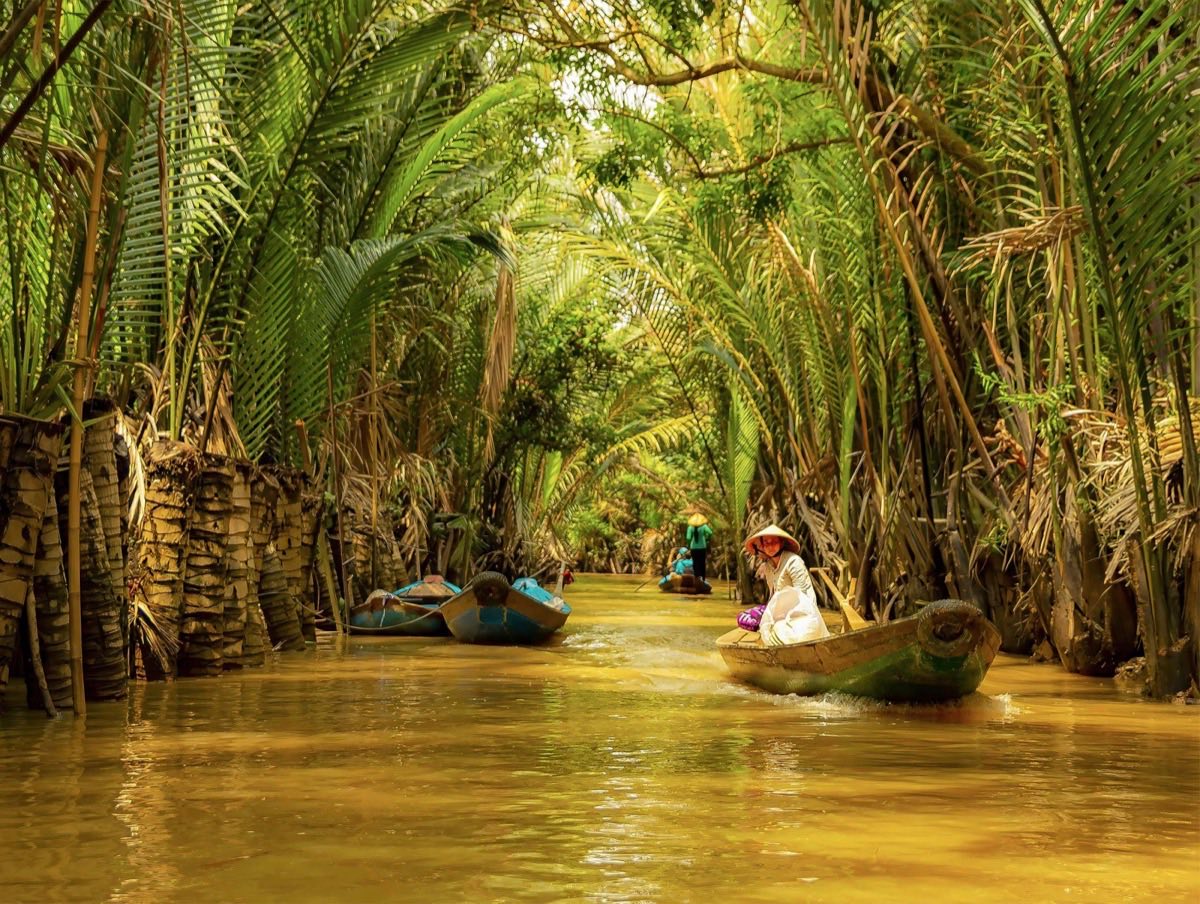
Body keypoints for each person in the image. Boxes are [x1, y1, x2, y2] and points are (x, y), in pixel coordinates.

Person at [743, 523, 829, 647]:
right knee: (744, 618)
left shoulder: (794, 562)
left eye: (774, 542)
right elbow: (773, 598)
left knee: (773, 632)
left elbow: (804, 599)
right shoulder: (768, 567)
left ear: (782, 543)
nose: (770, 546)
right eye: (766, 542)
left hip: (802, 618)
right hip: (782, 616)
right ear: (762, 546)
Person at [686, 513, 713, 585]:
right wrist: (706, 538)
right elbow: (710, 533)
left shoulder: (690, 527)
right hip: (702, 547)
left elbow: (688, 538)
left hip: (693, 548)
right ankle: (703, 579)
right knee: (702, 563)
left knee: (695, 563)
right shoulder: (704, 526)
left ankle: (696, 578)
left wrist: (689, 544)